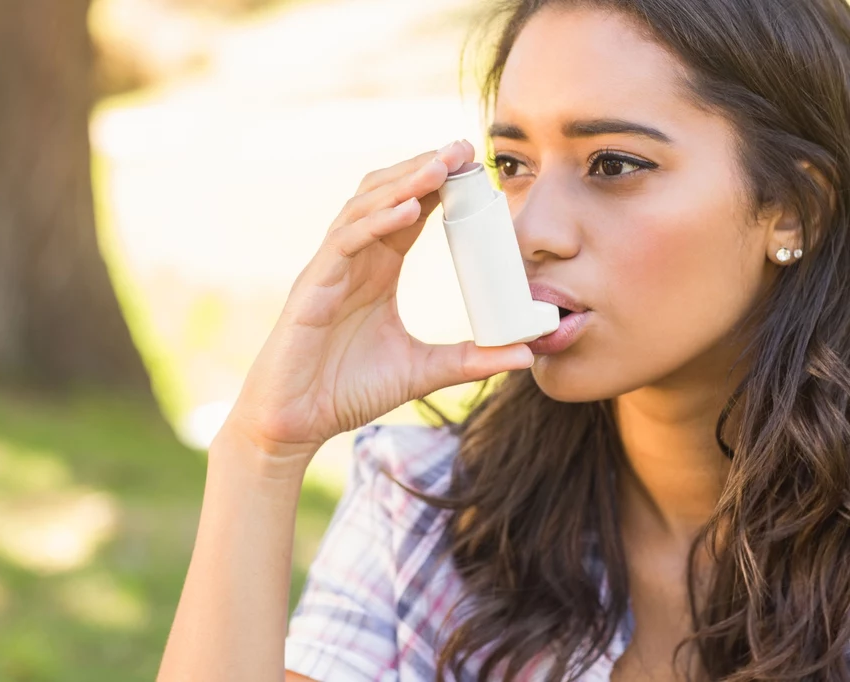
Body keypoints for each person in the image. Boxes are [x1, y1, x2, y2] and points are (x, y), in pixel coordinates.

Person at [157, 0, 850, 679]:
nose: (529, 232)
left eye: (611, 165)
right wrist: (263, 451)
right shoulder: (428, 515)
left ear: (794, 209)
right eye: (512, 166)